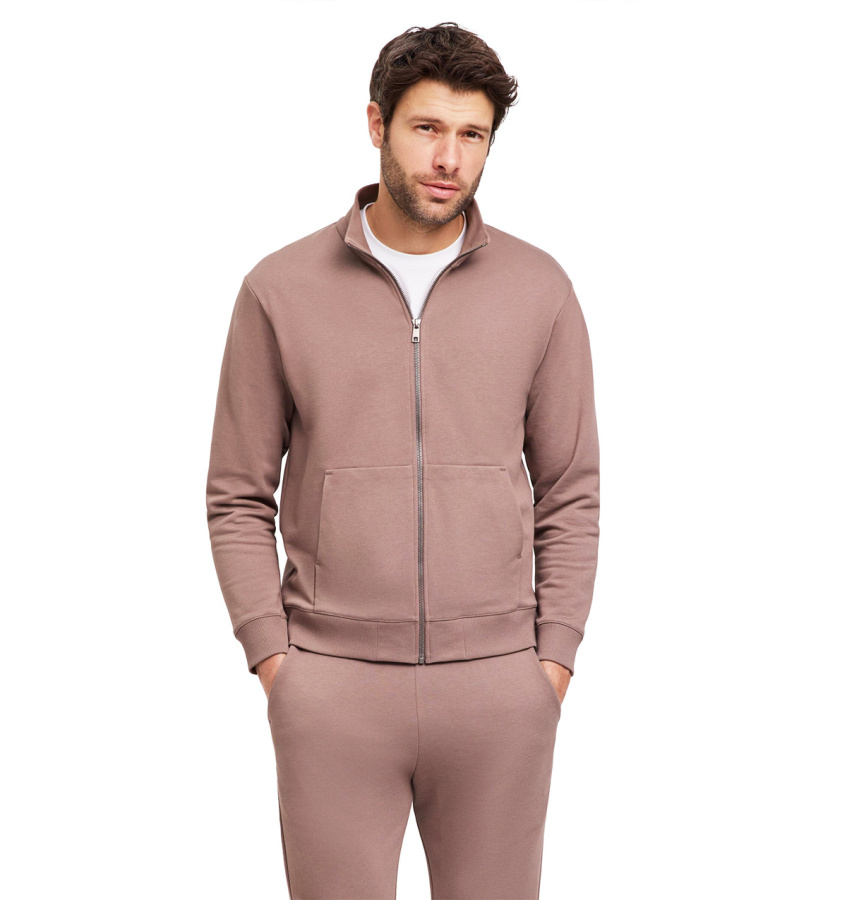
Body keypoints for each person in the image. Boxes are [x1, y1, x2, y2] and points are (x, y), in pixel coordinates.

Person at [206, 21, 600, 900]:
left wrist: (551, 662)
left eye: (472, 135)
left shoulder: (539, 290)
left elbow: (570, 491)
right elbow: (237, 494)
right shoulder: (279, 290)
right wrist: (276, 661)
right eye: (427, 128)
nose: (449, 158)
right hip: (331, 686)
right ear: (377, 124)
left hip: (499, 686)